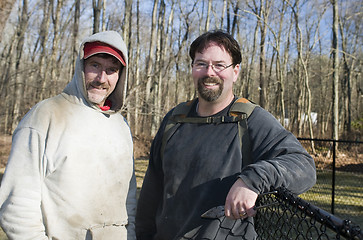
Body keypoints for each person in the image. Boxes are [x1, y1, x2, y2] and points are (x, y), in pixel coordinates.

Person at [135, 30, 316, 239]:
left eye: (219, 65)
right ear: (193, 68)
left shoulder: (250, 120)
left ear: (235, 71)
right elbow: (151, 192)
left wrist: (251, 180)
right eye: (201, 63)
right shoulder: (174, 119)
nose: (209, 72)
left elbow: (303, 165)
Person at [0, 31, 136, 239]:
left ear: (120, 76)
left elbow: (129, 201)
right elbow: (16, 204)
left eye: (111, 70)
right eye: (95, 65)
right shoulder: (46, 116)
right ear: (80, 66)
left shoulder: (121, 126)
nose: (101, 78)